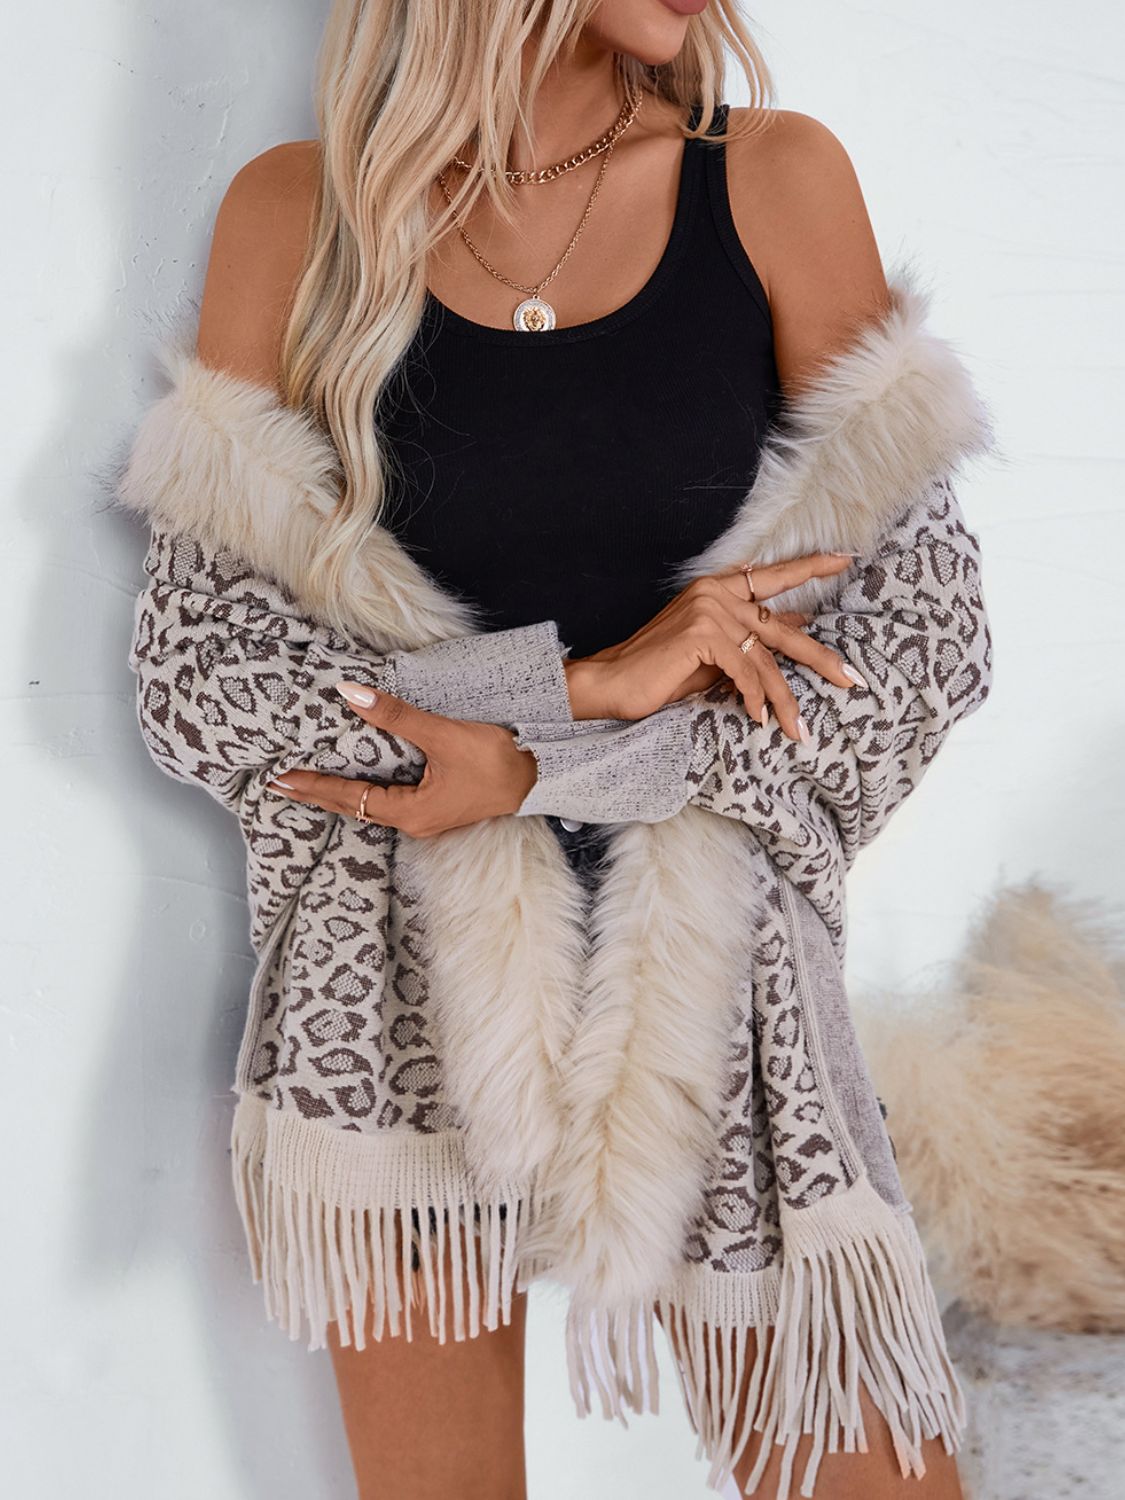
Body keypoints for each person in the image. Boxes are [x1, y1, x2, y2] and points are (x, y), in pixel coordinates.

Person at [116, 1, 996, 1496]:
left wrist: (536, 767)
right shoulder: (295, 214)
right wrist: (584, 685)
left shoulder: (772, 183)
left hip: (727, 991)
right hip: (388, 990)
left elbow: (920, 651)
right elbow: (202, 672)